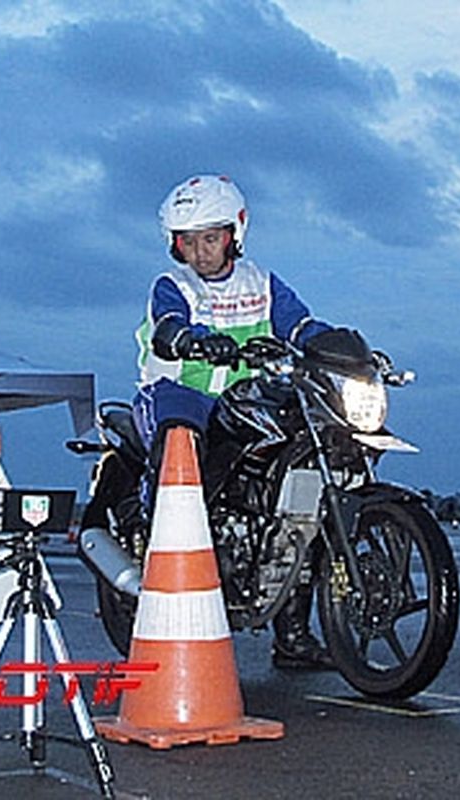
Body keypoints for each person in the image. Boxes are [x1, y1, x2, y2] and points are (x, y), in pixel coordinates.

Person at [135, 173, 334, 669]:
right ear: (174, 245)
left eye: (211, 238)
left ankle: (292, 633)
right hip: (181, 394)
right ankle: (151, 529)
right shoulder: (172, 285)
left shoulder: (263, 283)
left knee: (301, 473)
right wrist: (189, 337)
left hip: (248, 400)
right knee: (180, 444)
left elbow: (300, 324)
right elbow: (167, 326)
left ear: (234, 234)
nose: (201, 252)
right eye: (189, 241)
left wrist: (336, 344)